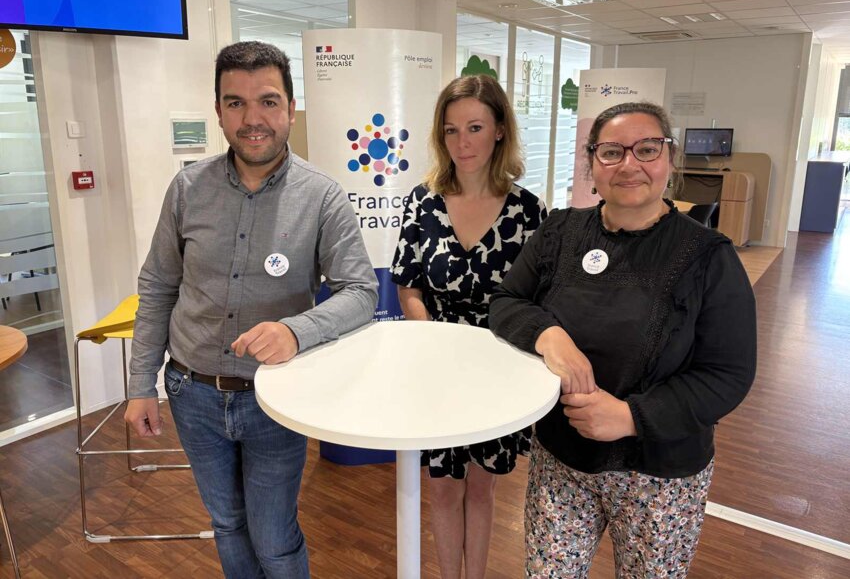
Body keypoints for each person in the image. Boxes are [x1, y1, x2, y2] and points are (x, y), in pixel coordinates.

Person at [124, 41, 378, 579]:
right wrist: (141, 384)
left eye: (267, 101)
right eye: (235, 103)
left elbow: (360, 290)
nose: (252, 118)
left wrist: (296, 331)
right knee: (226, 525)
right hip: (191, 392)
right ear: (218, 110)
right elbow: (158, 285)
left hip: (274, 397)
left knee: (275, 538)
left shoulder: (322, 196)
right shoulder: (187, 189)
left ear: (289, 108)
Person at [489, 101, 757, 578]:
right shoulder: (559, 232)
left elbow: (728, 375)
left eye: (647, 149)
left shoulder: (709, 257)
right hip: (562, 461)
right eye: (612, 152)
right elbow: (508, 302)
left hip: (661, 474)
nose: (630, 164)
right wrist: (548, 334)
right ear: (592, 163)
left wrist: (632, 416)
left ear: (668, 160)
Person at [390, 74, 547, 579]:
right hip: (436, 369)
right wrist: (436, 343)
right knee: (441, 486)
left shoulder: (528, 211)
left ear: (500, 130)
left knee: (482, 487)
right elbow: (409, 287)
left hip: (500, 370)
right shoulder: (422, 201)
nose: (462, 143)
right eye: (451, 130)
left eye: (475, 127)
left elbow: (537, 300)